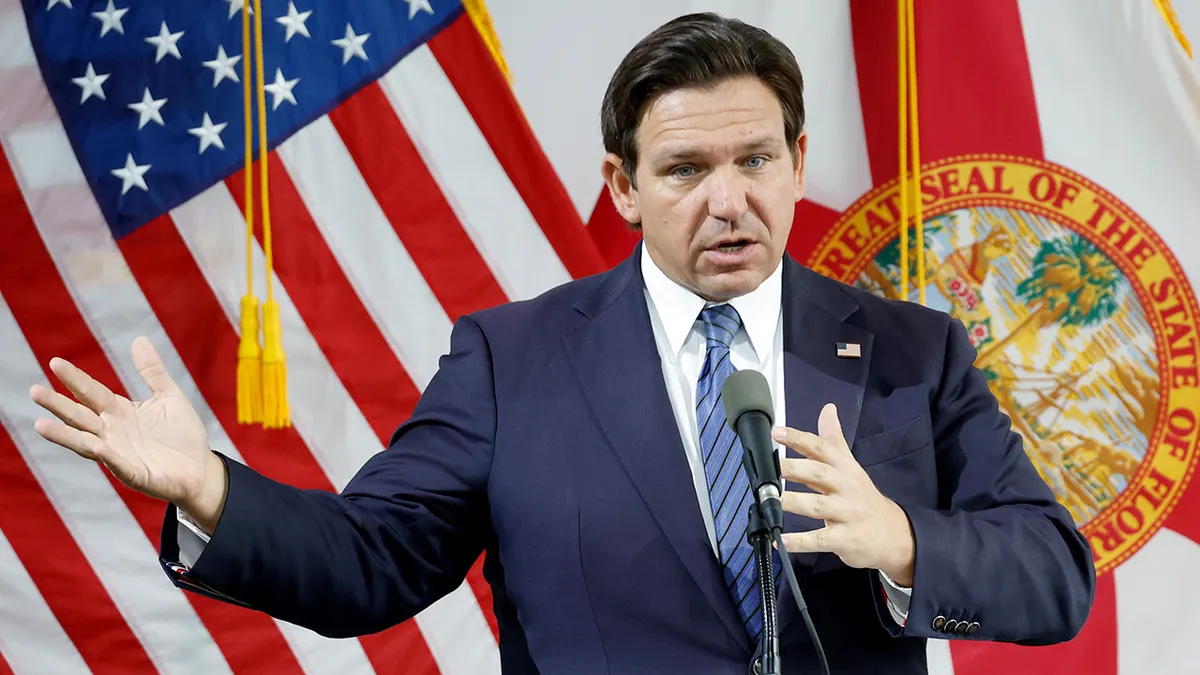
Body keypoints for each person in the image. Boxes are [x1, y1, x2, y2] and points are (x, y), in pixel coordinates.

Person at [27, 12, 1095, 675]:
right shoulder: (512, 361)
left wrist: (902, 540)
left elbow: (1055, 576)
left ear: (798, 161)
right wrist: (210, 489)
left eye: (756, 160)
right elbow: (368, 564)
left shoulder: (912, 350)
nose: (729, 199)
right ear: (624, 187)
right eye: (685, 170)